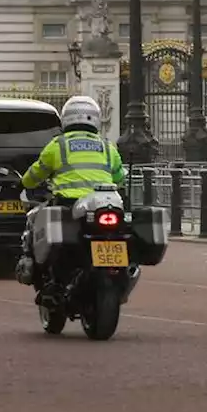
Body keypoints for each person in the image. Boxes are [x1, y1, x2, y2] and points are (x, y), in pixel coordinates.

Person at [14, 96, 126, 305]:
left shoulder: (59, 145)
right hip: (104, 203)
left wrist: (24, 183)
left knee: (46, 233)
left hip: (68, 203)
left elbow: (38, 171)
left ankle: (53, 283)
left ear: (66, 119)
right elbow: (120, 177)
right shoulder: (107, 146)